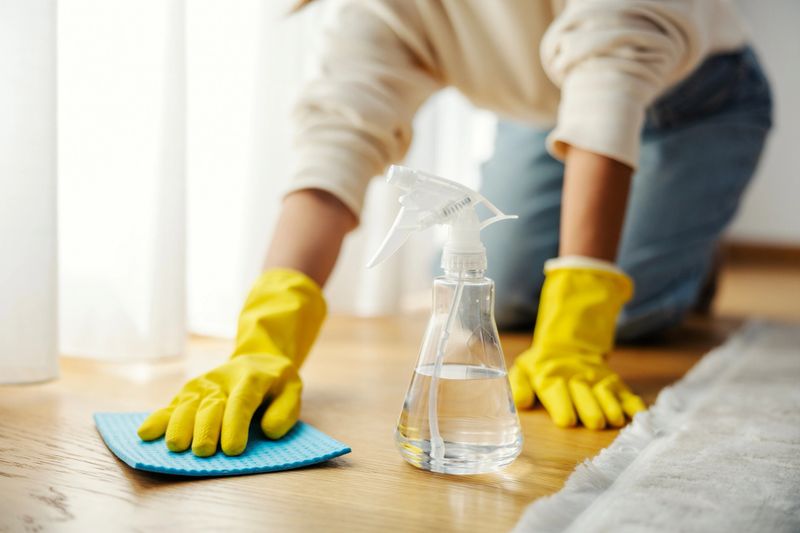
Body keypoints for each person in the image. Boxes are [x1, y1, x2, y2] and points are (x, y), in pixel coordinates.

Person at [138, 0, 772, 456]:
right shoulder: (381, 9)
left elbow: (609, 85)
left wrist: (578, 328)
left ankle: (684, 258)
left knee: (633, 313)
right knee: (515, 294)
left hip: (699, 99)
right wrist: (266, 337)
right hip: (547, 106)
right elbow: (338, 140)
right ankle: (650, 240)